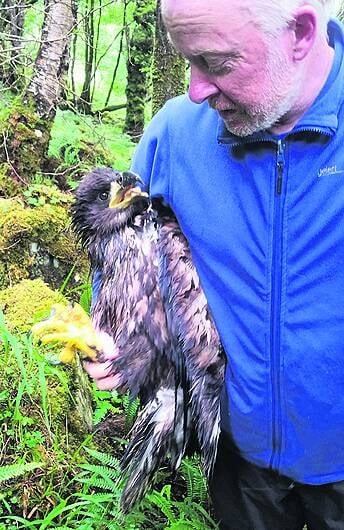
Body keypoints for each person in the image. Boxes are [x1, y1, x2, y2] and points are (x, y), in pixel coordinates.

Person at [85, 0, 344, 528]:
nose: (195, 89)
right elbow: (122, 254)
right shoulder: (175, 134)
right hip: (237, 455)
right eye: (187, 60)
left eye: (218, 63)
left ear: (299, 33)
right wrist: (112, 334)